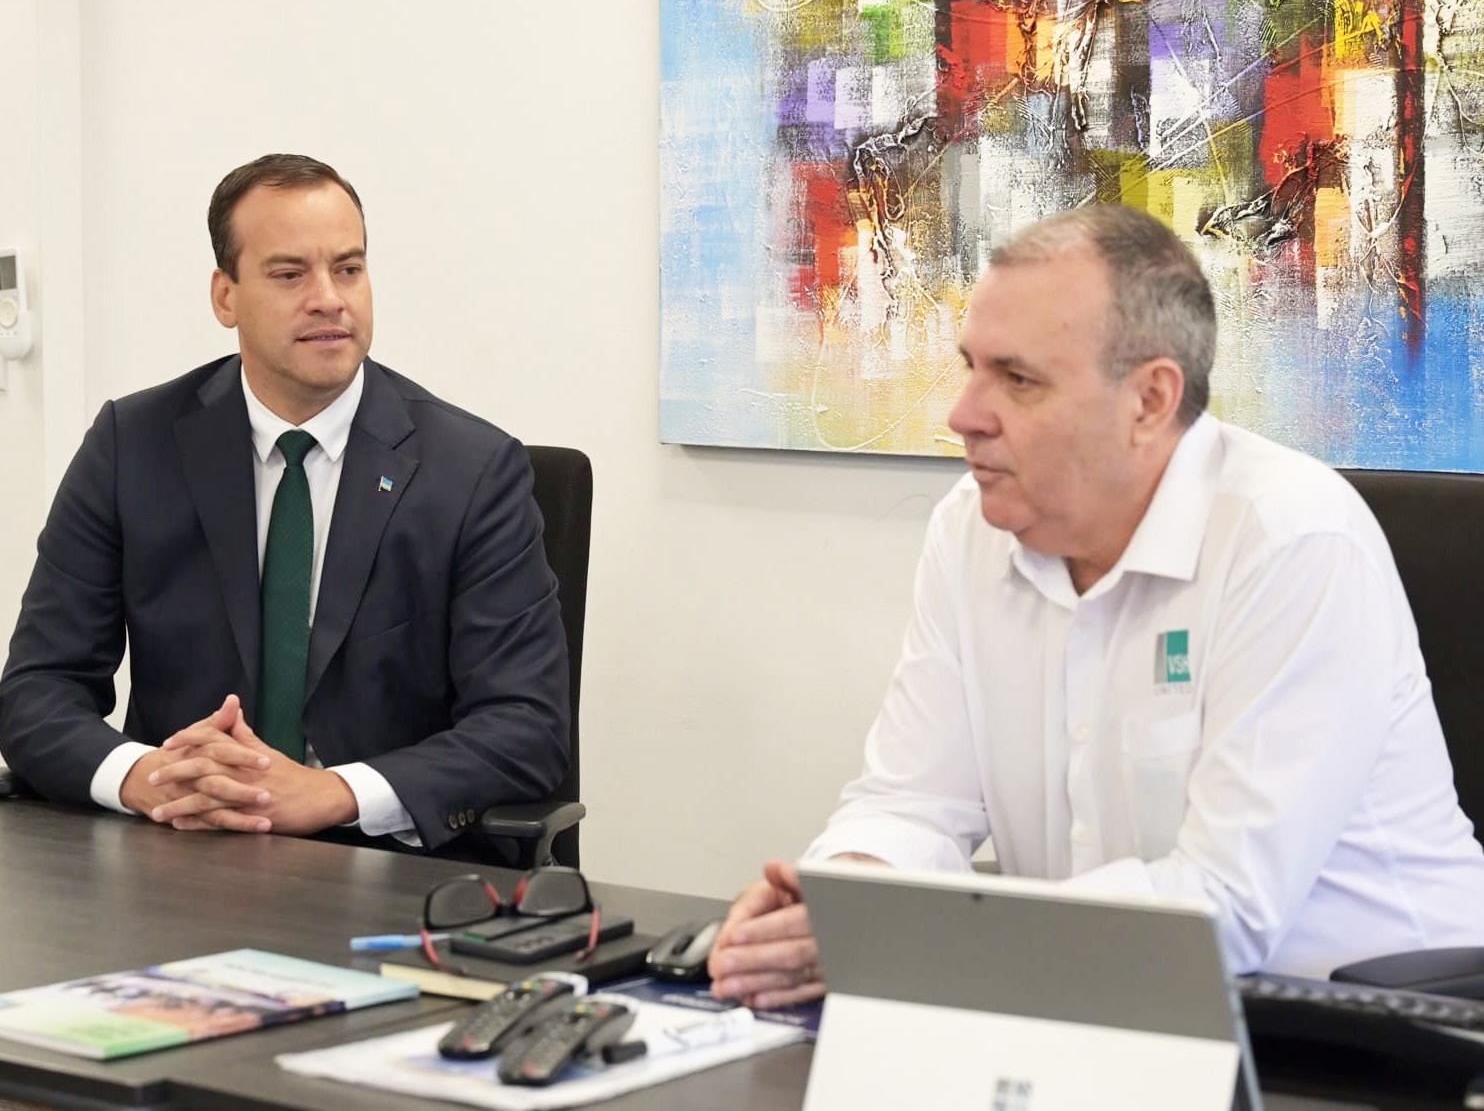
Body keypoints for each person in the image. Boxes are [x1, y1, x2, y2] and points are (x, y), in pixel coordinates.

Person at [708, 204, 1484, 1007]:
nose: (964, 415)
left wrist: (924, 935)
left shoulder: (1290, 540)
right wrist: (842, 904)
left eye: (1018, 380)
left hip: (1382, 1031)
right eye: (971, 368)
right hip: (1095, 1006)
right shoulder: (971, 529)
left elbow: (1222, 909)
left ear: (1149, 400)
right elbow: (913, 802)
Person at [0, 154, 569, 858]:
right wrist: (147, 778)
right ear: (226, 297)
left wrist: (332, 793)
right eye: (290, 274)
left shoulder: (472, 471)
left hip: (384, 866)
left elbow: (527, 725)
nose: (329, 298)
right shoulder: (132, 446)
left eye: (349, 269)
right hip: (179, 852)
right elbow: (38, 690)